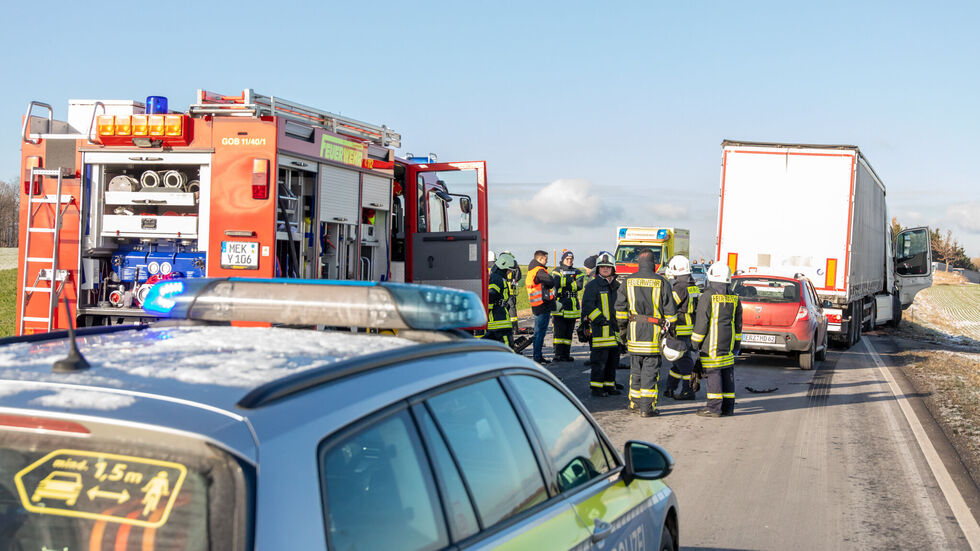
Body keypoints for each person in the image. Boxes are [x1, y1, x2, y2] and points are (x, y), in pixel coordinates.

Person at [615, 249, 677, 416]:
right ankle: (647, 408)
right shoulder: (661, 282)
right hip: (653, 334)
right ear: (654, 264)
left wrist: (623, 329)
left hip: (634, 333)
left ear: (639, 264)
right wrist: (671, 333)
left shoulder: (628, 281)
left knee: (635, 370)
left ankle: (634, 403)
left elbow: (620, 310)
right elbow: (671, 314)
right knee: (650, 372)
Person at [691, 261, 743, 418]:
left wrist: (695, 343)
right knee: (727, 374)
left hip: (711, 345)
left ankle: (713, 408)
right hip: (728, 345)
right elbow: (738, 324)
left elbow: (702, 323)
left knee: (713, 374)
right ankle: (728, 407)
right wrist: (736, 344)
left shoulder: (707, 296)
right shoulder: (734, 298)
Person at [581, 252, 622, 396]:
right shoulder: (593, 285)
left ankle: (609, 385)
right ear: (598, 269)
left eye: (608, 267)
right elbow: (587, 306)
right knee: (599, 361)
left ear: (613, 269)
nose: (605, 269)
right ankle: (597, 388)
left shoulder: (617, 286)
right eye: (602, 267)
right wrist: (600, 320)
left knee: (612, 361)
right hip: (600, 331)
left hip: (615, 331)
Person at [663, 255, 701, 400]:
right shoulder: (693, 286)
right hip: (690, 327)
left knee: (683, 362)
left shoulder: (679, 288)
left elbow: (670, 306)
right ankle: (670, 388)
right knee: (678, 362)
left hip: (679, 328)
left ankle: (688, 391)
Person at [551, 250, 586, 362]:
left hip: (572, 306)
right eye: (567, 259)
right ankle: (558, 354)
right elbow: (556, 283)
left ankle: (566, 354)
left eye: (571, 259)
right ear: (563, 259)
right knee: (558, 332)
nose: (569, 261)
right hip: (560, 305)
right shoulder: (556, 271)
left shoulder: (578, 272)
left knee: (568, 333)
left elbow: (579, 285)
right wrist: (571, 280)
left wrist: (565, 282)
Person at [525, 250, 557, 363]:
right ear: (539, 259)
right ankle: (537, 357)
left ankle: (538, 356)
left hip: (537, 304)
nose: (547, 260)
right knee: (539, 332)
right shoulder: (539, 270)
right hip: (541, 305)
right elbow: (551, 281)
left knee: (539, 332)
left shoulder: (532, 270)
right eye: (545, 258)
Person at [486, 252, 517, 348]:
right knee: (507, 347)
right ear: (503, 267)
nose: (510, 272)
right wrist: (498, 306)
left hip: (499, 319)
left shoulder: (498, 277)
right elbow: (490, 296)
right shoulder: (497, 278)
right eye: (509, 270)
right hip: (499, 322)